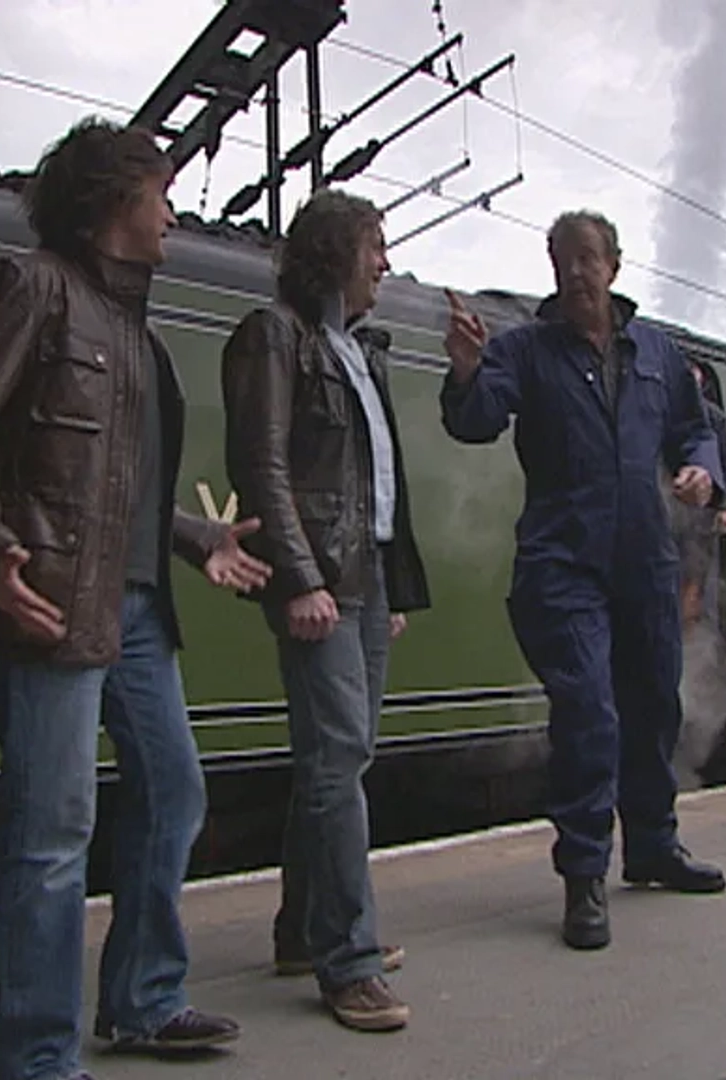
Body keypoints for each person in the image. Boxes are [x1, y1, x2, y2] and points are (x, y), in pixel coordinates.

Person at [0, 116, 271, 1080]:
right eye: (160, 192)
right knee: (50, 833)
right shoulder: (29, 287)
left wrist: (198, 539)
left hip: (140, 610)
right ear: (115, 199)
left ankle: (144, 1000)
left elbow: (125, 490)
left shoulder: (137, 335)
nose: (172, 212)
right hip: (51, 604)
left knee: (173, 791)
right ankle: (38, 1056)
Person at [439, 209, 726, 952]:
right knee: (589, 713)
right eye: (562, 259)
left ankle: (655, 845)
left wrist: (702, 469)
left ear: (615, 266)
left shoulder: (657, 353)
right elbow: (474, 421)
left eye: (586, 259)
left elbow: (696, 429)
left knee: (655, 704)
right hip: (563, 563)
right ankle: (584, 877)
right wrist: (467, 372)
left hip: (645, 560)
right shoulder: (526, 351)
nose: (574, 272)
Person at [219, 188, 431, 1031]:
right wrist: (300, 577)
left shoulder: (357, 349)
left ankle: (303, 935)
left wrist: (386, 588)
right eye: (374, 246)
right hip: (322, 576)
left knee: (338, 760)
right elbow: (262, 464)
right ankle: (346, 962)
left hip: (363, 576)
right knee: (339, 759)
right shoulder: (276, 335)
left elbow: (378, 481)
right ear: (335, 253)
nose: (385, 263)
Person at [673, 360, 726, 630]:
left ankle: (705, 649)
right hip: (669, 518)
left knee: (703, 590)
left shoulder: (714, 418)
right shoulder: (664, 415)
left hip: (703, 521)